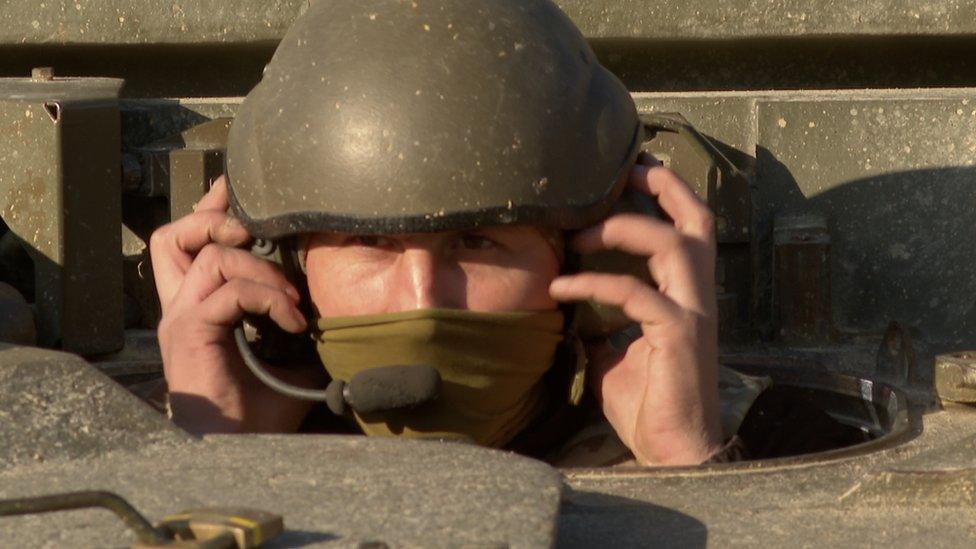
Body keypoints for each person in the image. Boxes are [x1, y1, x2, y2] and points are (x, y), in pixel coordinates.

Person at [149, 0, 758, 466]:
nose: (424, 300)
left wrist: (684, 461)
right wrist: (214, 460)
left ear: (591, 265)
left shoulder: (784, 435)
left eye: (477, 241)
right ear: (285, 269)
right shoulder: (129, 446)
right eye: (372, 243)